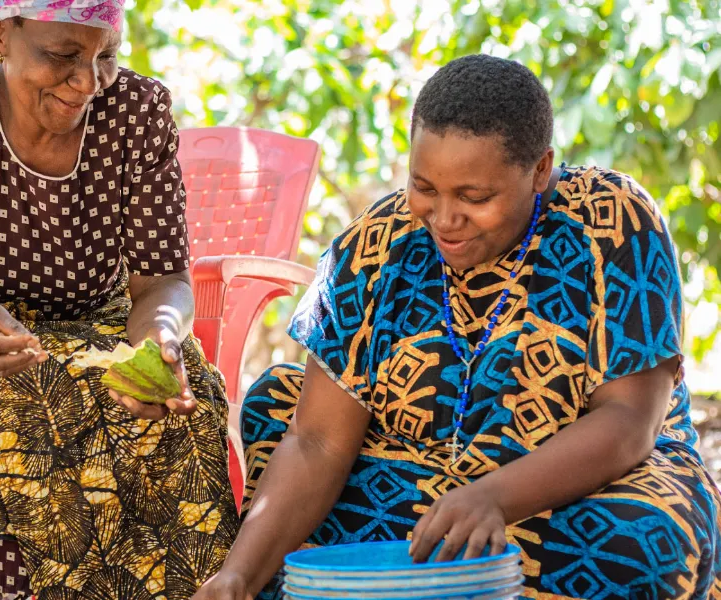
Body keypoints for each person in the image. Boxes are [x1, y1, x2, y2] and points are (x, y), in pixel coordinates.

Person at [193, 54, 721, 600]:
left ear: (540, 170)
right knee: (277, 414)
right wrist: (236, 578)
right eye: (425, 187)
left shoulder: (613, 220)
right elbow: (320, 441)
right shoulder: (375, 243)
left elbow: (629, 421)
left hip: (581, 482)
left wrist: (493, 497)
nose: (444, 219)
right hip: (414, 472)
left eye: (475, 197)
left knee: (643, 545)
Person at [0, 2, 238, 598]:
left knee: (189, 403)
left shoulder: (138, 110)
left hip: (97, 326)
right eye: (62, 56)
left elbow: (163, 283)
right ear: (0, 34)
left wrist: (158, 339)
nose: (86, 82)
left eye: (104, 56)